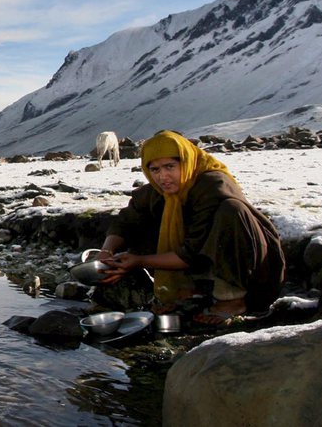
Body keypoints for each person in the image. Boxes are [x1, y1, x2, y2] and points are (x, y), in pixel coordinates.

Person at [94, 130, 286, 325]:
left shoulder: (213, 185)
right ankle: (188, 290)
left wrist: (139, 261)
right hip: (196, 261)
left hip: (251, 272)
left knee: (231, 211)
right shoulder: (159, 190)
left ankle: (232, 299)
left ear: (185, 162)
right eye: (155, 170)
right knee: (149, 216)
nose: (163, 177)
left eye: (170, 166)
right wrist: (106, 251)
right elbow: (126, 220)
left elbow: (190, 253)